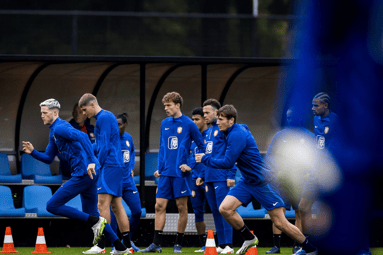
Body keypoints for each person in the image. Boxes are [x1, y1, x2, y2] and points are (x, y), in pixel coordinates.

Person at [195, 105, 317, 255]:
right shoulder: (229, 132)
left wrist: (205, 159)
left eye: (221, 120)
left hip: (263, 182)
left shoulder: (236, 134)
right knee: (225, 208)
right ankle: (249, 238)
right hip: (248, 181)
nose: (218, 122)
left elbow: (227, 162)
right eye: (218, 119)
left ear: (231, 120)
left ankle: (310, 248)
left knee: (280, 222)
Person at [22, 98, 130, 255]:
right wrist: (33, 152)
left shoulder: (60, 128)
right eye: (41, 113)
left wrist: (92, 161)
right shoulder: (54, 131)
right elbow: (48, 158)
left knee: (52, 205)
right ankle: (120, 247)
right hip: (86, 174)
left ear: (55, 112)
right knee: (92, 213)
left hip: (84, 174)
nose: (42, 116)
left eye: (45, 113)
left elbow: (84, 137)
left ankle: (96, 223)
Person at [139, 92, 205, 253]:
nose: (166, 108)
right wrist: (159, 168)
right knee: (159, 206)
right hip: (165, 173)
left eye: (168, 105)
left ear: (177, 105)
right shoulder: (164, 123)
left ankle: (178, 244)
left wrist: (190, 165)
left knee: (181, 207)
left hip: (181, 175)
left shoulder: (189, 124)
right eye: (165, 106)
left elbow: (202, 147)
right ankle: (156, 244)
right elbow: (163, 147)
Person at [78, 94, 133, 254]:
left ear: (92, 104)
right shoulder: (105, 118)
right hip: (114, 165)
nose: (83, 113)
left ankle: (101, 245)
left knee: (102, 205)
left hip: (109, 165)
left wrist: (96, 163)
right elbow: (100, 144)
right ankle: (126, 246)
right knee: (116, 206)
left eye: (84, 109)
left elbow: (106, 146)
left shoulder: (104, 118)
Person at [265, 107, 314, 254]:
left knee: (300, 212)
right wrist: (275, 173)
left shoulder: (309, 136)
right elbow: (270, 156)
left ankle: (298, 245)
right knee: (278, 211)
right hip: (282, 181)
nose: (290, 119)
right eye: (288, 116)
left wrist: (308, 173)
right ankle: (276, 246)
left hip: (302, 181)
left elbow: (315, 158)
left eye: (293, 116)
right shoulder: (279, 135)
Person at [196, 99, 236, 254]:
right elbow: (208, 155)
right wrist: (201, 174)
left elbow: (231, 154)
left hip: (221, 176)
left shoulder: (225, 130)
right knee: (215, 211)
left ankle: (229, 245)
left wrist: (231, 174)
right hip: (209, 176)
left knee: (224, 210)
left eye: (207, 112)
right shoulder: (208, 132)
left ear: (217, 112)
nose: (204, 115)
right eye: (203, 112)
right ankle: (221, 244)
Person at [185, 107, 209, 252]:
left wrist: (203, 175)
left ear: (205, 120)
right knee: (197, 212)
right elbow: (189, 159)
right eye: (192, 119)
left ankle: (225, 243)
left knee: (218, 210)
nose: (194, 122)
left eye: (197, 119)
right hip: (194, 180)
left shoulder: (211, 136)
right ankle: (204, 245)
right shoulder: (192, 139)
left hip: (208, 180)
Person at [60, 103, 96, 178]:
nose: (77, 114)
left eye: (80, 112)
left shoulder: (91, 129)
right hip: (73, 167)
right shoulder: (66, 129)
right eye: (75, 112)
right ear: (72, 113)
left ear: (86, 114)